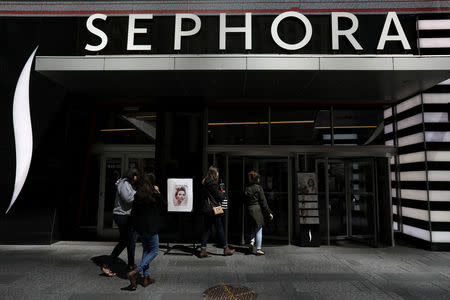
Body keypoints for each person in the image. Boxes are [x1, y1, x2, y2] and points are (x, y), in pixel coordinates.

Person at [127, 173, 165, 290]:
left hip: (142, 229)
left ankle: (146, 277)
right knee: (154, 251)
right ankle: (136, 271)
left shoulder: (138, 195)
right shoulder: (154, 195)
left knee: (146, 250)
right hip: (152, 228)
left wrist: (136, 228)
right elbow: (164, 206)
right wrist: (158, 192)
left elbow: (133, 213)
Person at [101, 168, 139, 277]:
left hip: (126, 215)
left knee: (130, 240)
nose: (137, 178)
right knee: (125, 240)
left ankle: (131, 264)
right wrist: (139, 194)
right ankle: (107, 264)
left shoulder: (127, 184)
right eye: (136, 176)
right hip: (122, 215)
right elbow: (127, 199)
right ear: (132, 175)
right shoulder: (124, 183)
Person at [199, 166, 235, 257]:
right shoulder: (212, 183)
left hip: (207, 209)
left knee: (207, 229)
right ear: (214, 173)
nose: (218, 174)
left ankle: (203, 250)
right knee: (219, 228)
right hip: (214, 209)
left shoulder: (205, 182)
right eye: (217, 172)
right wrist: (223, 192)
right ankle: (225, 248)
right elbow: (220, 197)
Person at [245, 171, 274, 256]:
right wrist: (269, 212)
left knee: (254, 226)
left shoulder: (247, 188)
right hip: (257, 210)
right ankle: (258, 249)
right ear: (257, 179)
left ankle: (251, 242)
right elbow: (263, 202)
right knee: (259, 228)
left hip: (249, 209)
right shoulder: (258, 188)